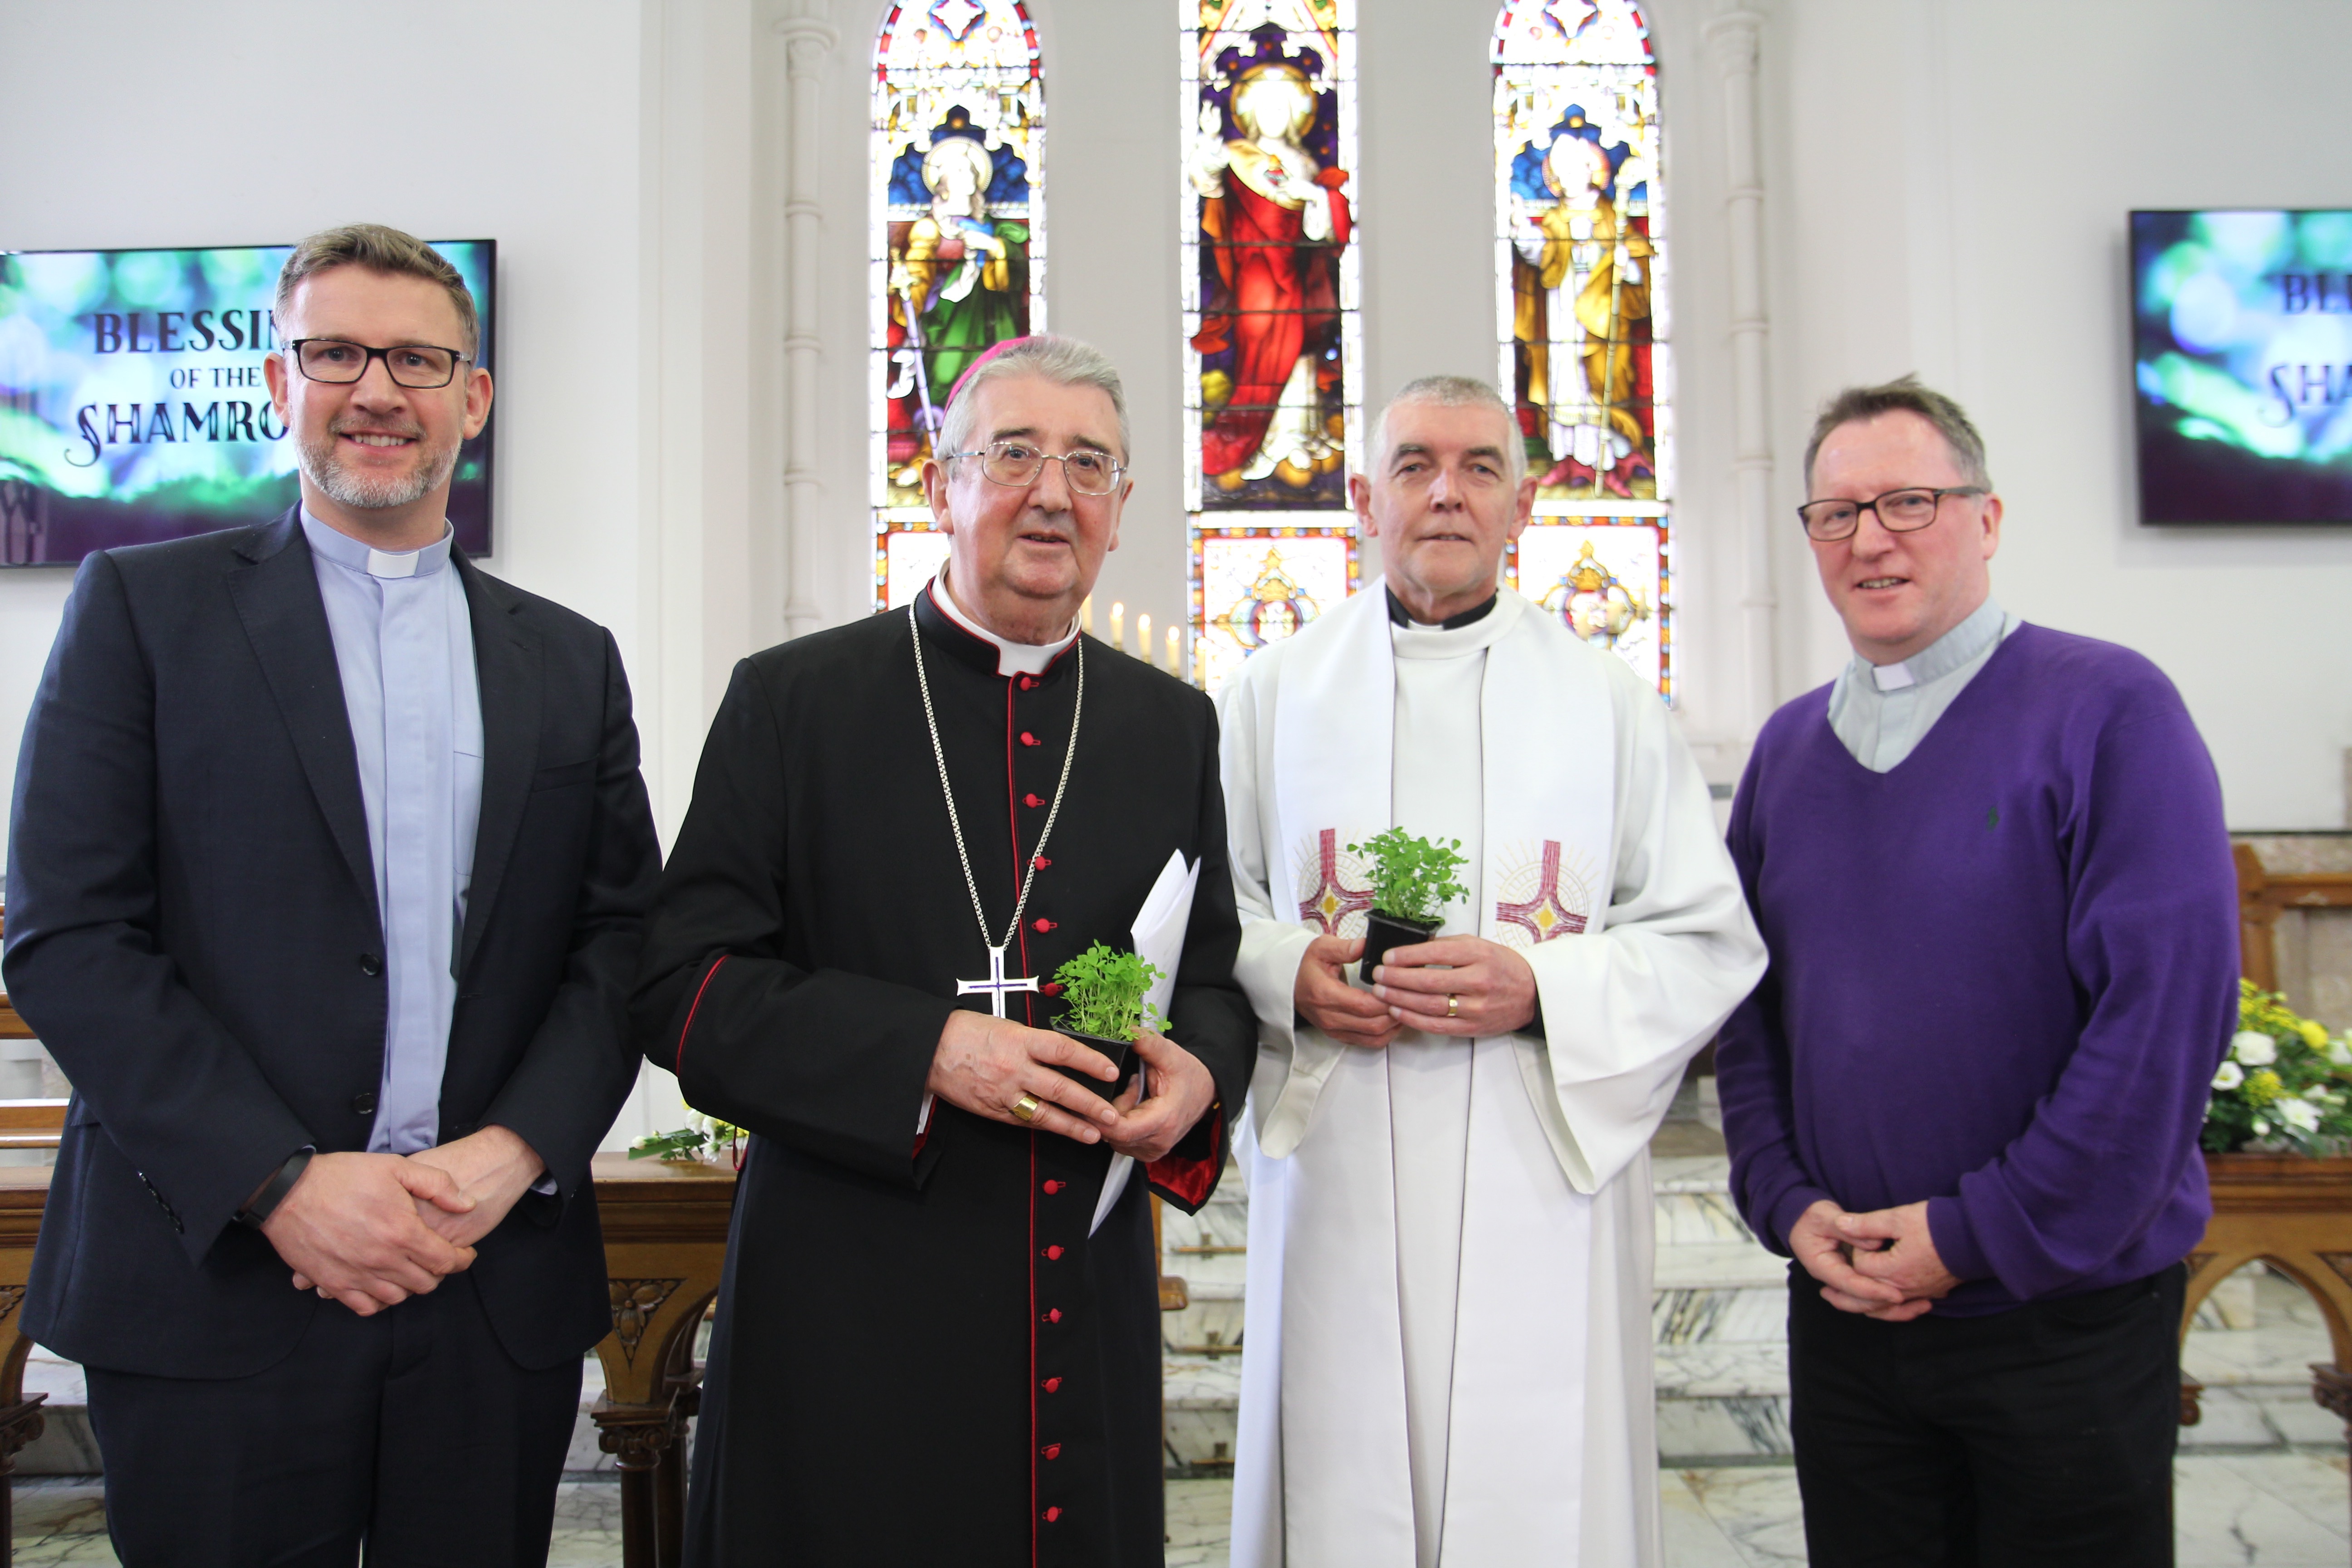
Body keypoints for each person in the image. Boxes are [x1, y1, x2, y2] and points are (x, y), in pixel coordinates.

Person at [2, 224, 661, 1566]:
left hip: (486, 1282)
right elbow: (68, 933)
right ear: (278, 380)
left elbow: (620, 942)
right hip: (222, 1282)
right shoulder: (142, 610)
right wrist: (280, 1182)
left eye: (418, 358)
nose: (378, 390)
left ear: (472, 398)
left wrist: (515, 1151)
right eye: (337, 352)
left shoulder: (568, 661)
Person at [633, 334, 1256, 1568]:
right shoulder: (794, 702)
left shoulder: (1169, 725)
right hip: (847, 1294)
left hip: (1080, 1285)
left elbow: (1216, 980)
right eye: (1012, 453)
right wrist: (929, 1047)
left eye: (1089, 463)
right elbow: (682, 986)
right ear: (940, 485)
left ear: (1121, 509)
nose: (1051, 491)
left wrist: (1201, 1077)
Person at [1218, 375, 1767, 1566]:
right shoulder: (1269, 696)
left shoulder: (1614, 708)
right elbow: (1219, 908)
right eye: (1414, 466)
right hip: (1339, 1162)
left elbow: (1705, 937)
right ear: (1362, 499)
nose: (1446, 494)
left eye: (1478, 469)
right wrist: (1292, 975)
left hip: (1538, 1166)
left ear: (1523, 507)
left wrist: (1546, 992)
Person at [1715, 376, 2238, 1565]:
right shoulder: (1789, 751)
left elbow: (2159, 1022)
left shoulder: (2110, 710)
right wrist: (1789, 1206)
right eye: (1837, 514)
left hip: (2058, 1315)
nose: (1871, 538)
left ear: (1988, 519)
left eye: (1909, 501)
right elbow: (1749, 1019)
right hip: (1845, 1315)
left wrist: (1979, 1230)